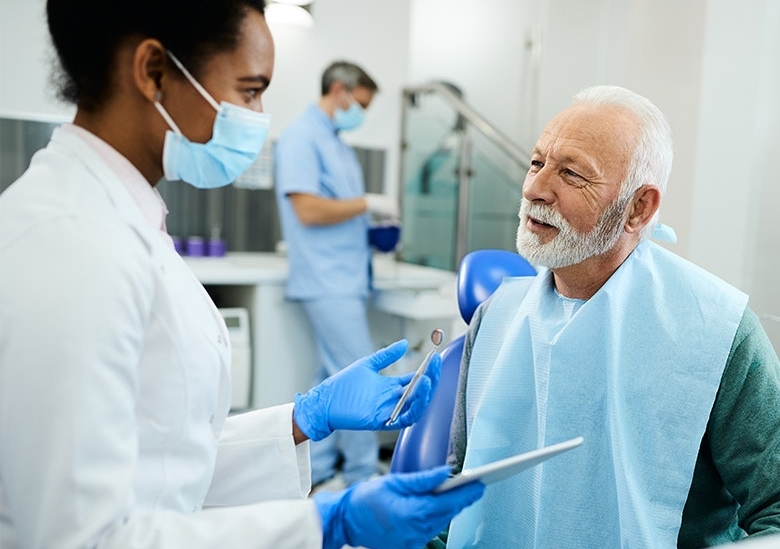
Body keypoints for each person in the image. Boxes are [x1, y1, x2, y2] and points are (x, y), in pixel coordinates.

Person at [0, 2, 486, 548]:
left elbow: (164, 465)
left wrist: (301, 421)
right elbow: (83, 539)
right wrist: (324, 525)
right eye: (250, 91)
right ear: (154, 72)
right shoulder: (71, 242)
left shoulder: (121, 216)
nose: (259, 115)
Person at [427, 85, 780, 548]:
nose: (535, 188)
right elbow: (459, 493)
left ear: (639, 207)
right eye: (537, 163)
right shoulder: (497, 319)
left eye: (572, 174)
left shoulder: (715, 333)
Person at [274, 61, 399, 487]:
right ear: (340, 91)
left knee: (330, 378)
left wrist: (373, 228)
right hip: (325, 278)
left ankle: (316, 469)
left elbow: (341, 211)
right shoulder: (300, 138)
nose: (361, 112)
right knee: (357, 374)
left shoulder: (336, 143)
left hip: (345, 275)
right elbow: (307, 210)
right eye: (360, 103)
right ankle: (364, 475)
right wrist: (367, 204)